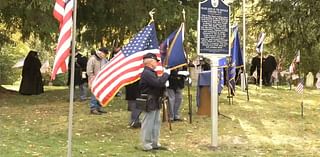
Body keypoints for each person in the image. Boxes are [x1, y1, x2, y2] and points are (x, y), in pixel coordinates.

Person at [139, 53, 170, 151]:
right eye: (155, 61)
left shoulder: (151, 72)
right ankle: (146, 145)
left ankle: (154, 143)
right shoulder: (147, 73)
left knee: (156, 123)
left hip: (155, 100)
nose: (157, 63)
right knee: (148, 123)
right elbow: (158, 83)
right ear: (150, 62)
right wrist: (166, 75)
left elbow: (158, 85)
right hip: (149, 100)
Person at [86, 47, 109, 115]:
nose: (105, 56)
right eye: (104, 54)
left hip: (101, 80)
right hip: (94, 79)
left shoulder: (104, 59)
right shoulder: (92, 59)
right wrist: (93, 79)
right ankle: (93, 108)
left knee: (100, 94)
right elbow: (89, 71)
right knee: (94, 94)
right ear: (101, 53)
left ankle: (98, 108)